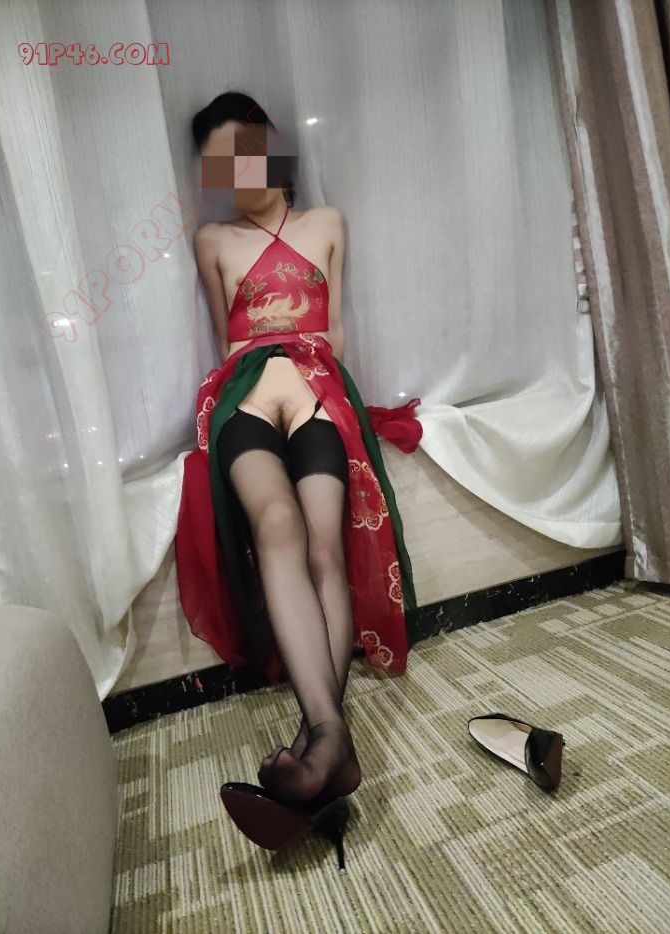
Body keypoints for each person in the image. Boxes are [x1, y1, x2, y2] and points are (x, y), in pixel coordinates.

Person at [175, 91, 422, 808]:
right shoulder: (213, 240)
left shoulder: (327, 224)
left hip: (317, 391)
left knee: (323, 543)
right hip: (246, 397)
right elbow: (228, 343)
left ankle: (323, 742)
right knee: (275, 523)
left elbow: (335, 333)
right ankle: (330, 739)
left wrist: (312, 362)